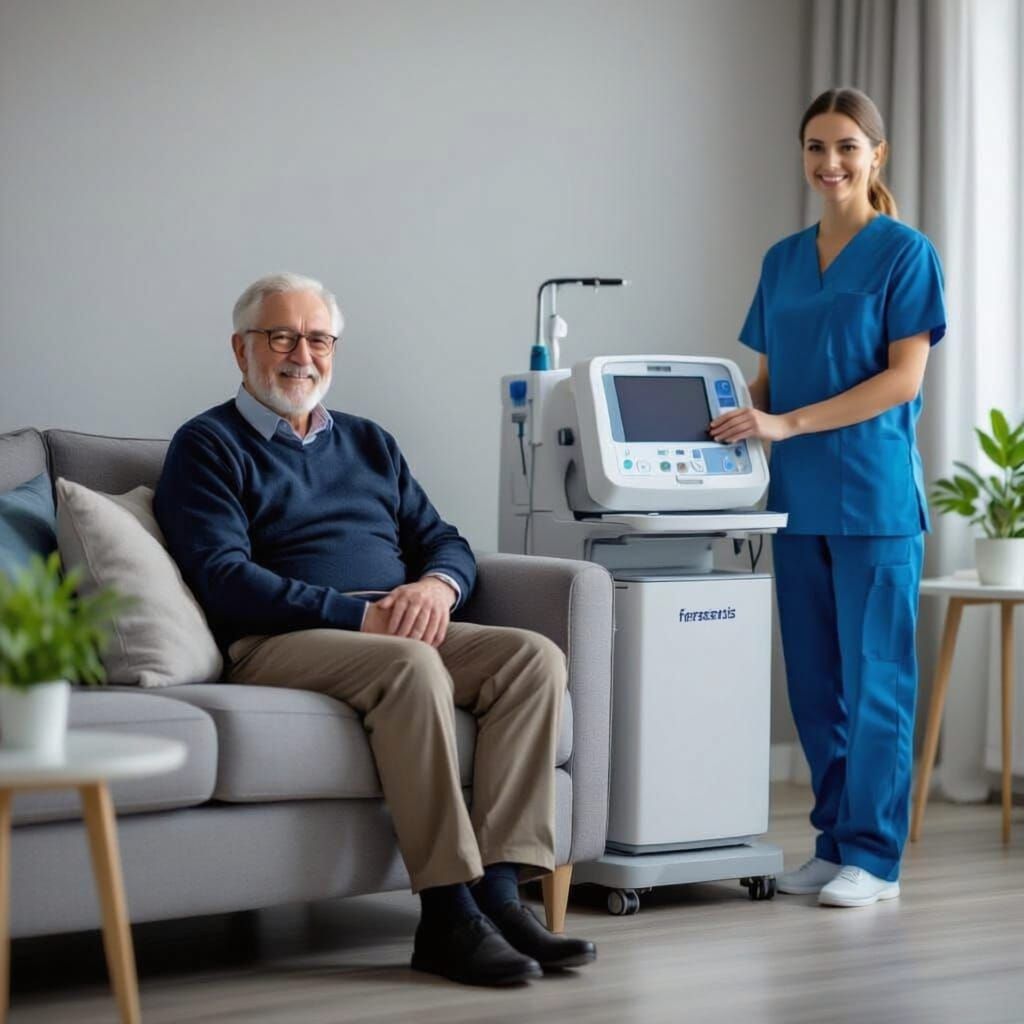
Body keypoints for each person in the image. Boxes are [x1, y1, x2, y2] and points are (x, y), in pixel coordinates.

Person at [154, 272, 596, 984]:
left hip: (394, 624)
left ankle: (503, 893)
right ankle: (447, 914)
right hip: (281, 640)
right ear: (241, 350)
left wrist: (435, 585)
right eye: (282, 336)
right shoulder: (208, 444)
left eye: (319, 338)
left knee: (532, 658)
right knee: (410, 665)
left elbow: (443, 538)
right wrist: (360, 615)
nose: (303, 354)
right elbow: (223, 577)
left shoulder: (369, 443)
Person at [711, 88, 946, 908]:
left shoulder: (904, 254)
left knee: (877, 678)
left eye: (847, 147)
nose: (830, 163)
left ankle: (875, 859)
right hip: (795, 496)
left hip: (872, 498)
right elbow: (769, 376)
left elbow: (903, 378)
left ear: (875, 155)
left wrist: (786, 422)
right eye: (816, 147)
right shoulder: (782, 260)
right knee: (816, 684)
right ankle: (833, 840)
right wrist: (729, 414)